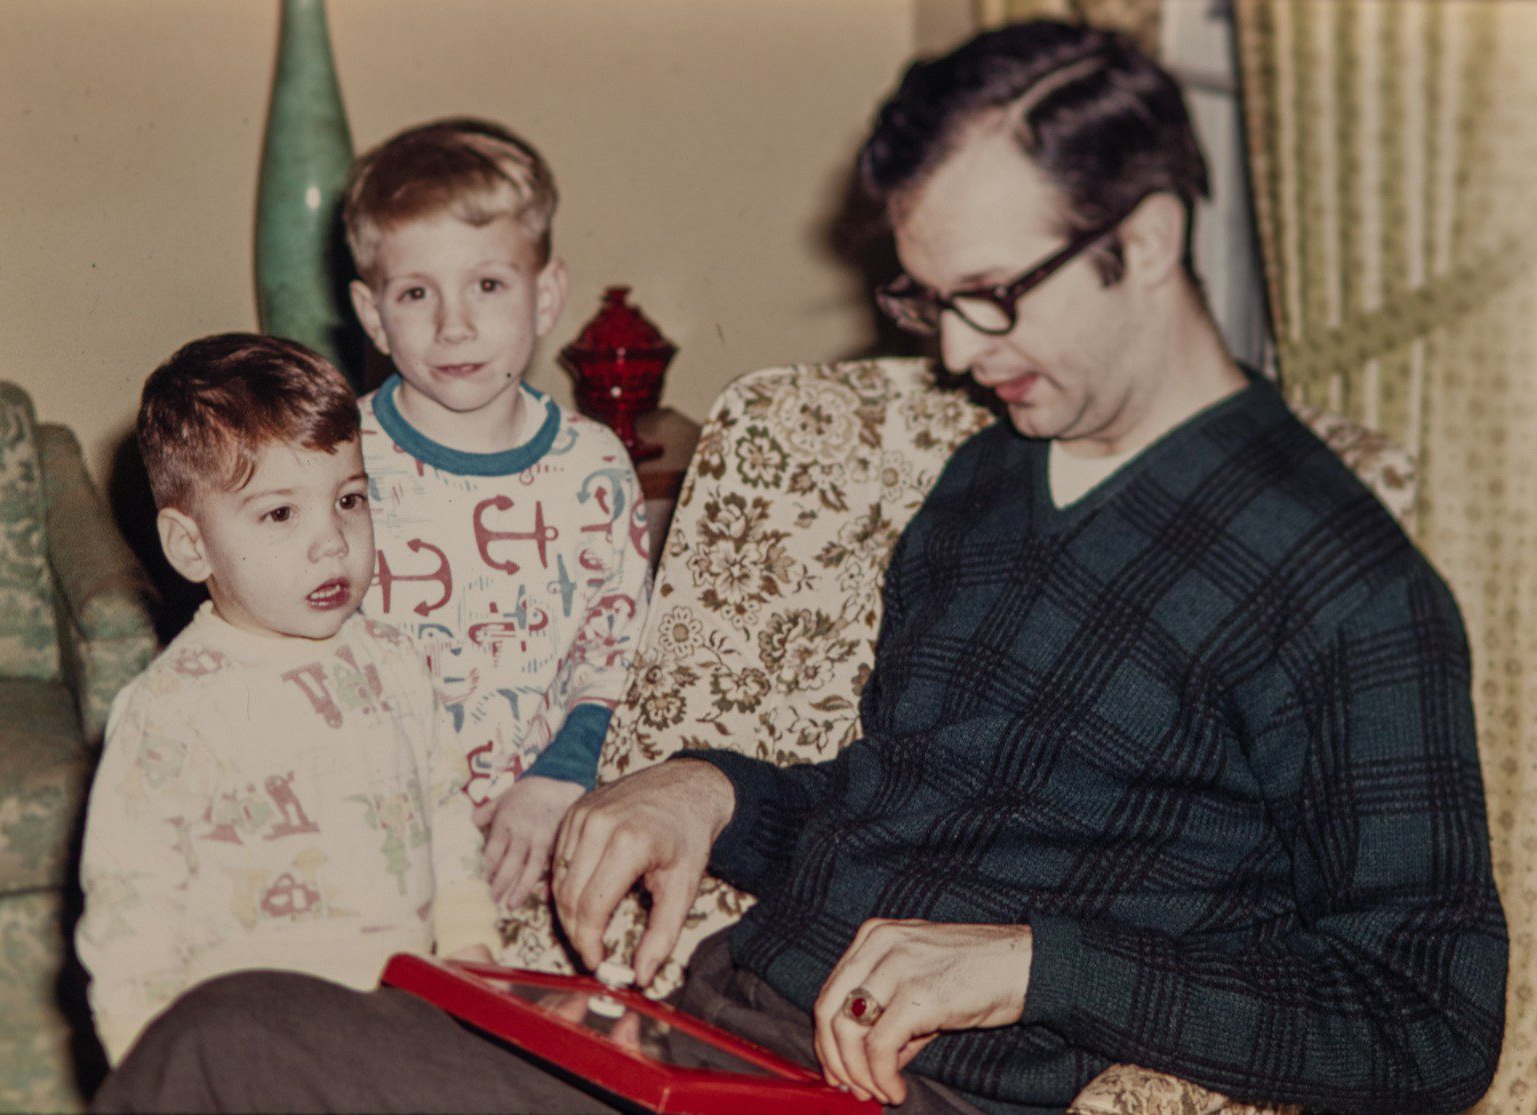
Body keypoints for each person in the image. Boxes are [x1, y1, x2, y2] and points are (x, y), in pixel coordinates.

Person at [91, 22, 1506, 1115]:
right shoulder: (994, 475)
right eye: (927, 300)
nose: (958, 353)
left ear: (1144, 239)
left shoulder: (1340, 585)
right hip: (702, 1031)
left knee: (221, 1059)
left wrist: (1033, 961)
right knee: (229, 1029)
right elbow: (901, 794)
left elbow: (1430, 1019)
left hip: (902, 1089)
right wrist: (709, 787)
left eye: (989, 296)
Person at [76, 334, 500, 1066]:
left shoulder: (395, 662)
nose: (332, 542)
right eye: (280, 514)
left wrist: (470, 947)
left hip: (406, 1022)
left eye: (348, 500)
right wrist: (158, 1071)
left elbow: (445, 814)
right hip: (256, 1053)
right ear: (190, 546)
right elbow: (129, 917)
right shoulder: (170, 710)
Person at [342, 117, 652, 910]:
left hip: (545, 824)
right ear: (373, 314)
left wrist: (559, 779)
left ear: (545, 296)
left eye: (487, 285)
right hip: (376, 837)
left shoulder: (595, 466)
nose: (455, 325)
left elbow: (615, 652)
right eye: (416, 293)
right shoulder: (332, 465)